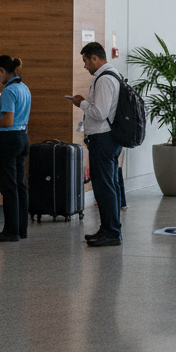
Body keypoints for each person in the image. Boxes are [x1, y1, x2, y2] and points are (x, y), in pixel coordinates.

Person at [70, 41, 122, 247]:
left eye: (85, 61)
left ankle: (112, 232)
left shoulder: (104, 79)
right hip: (104, 138)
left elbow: (100, 113)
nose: (85, 66)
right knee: (105, 186)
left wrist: (81, 102)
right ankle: (107, 229)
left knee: (105, 186)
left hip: (103, 138)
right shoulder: (107, 76)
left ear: (95, 58)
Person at [0, 55, 32, 243]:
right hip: (22, 137)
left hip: (7, 139)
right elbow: (14, 117)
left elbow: (7, 122)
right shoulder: (24, 87)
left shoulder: (9, 90)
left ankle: (10, 231)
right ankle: (21, 228)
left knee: (8, 187)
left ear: (2, 71)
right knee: (19, 185)